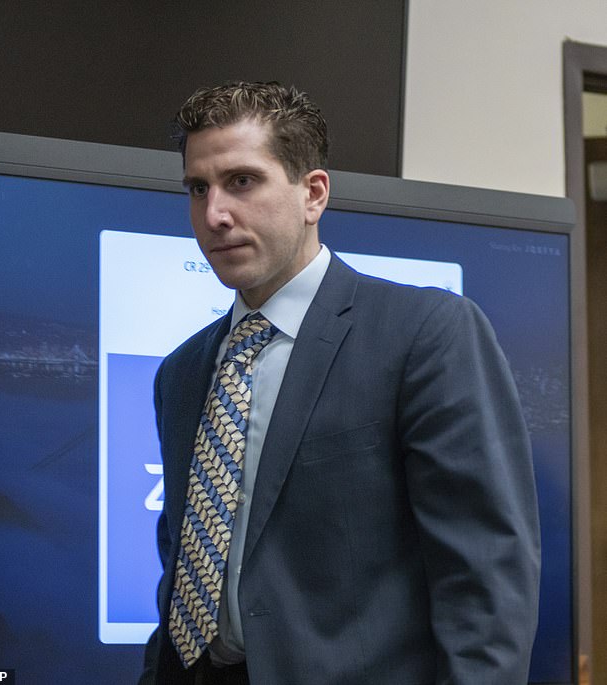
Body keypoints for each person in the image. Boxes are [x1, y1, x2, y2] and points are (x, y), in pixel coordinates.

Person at [139, 81, 540, 685]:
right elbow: (183, 569)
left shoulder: (424, 333)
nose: (215, 214)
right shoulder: (182, 371)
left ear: (313, 194)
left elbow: (486, 578)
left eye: (242, 181)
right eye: (199, 188)